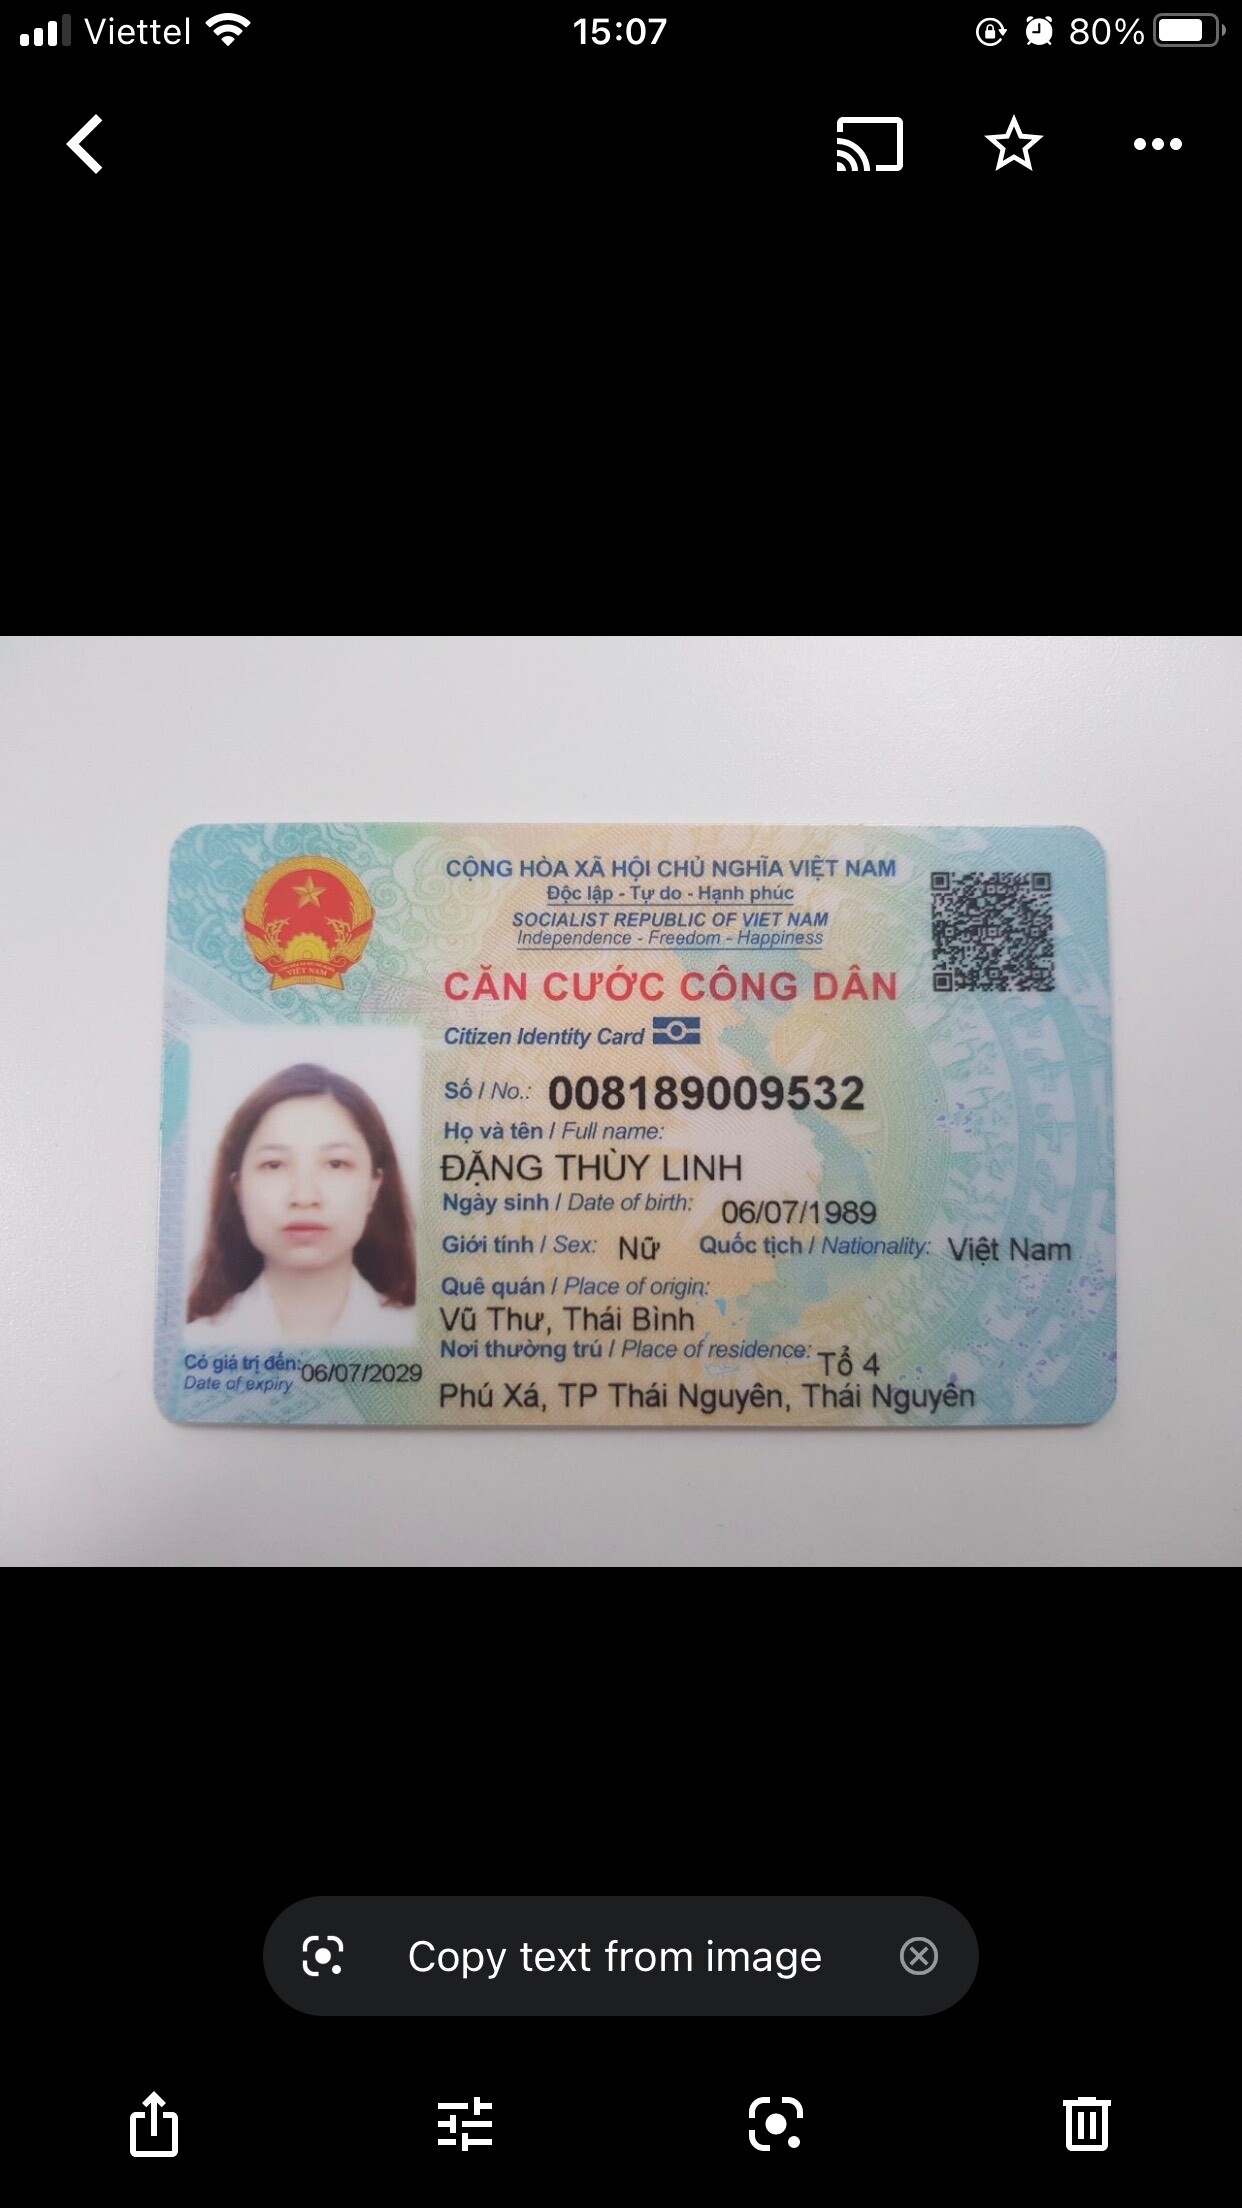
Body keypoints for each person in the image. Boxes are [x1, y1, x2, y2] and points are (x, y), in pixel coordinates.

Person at [185, 1063, 416, 1345]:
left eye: (336, 1164)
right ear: (239, 1189)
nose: (304, 1197)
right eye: (274, 1165)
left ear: (373, 1187)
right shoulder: (196, 1345)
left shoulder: (417, 1338)